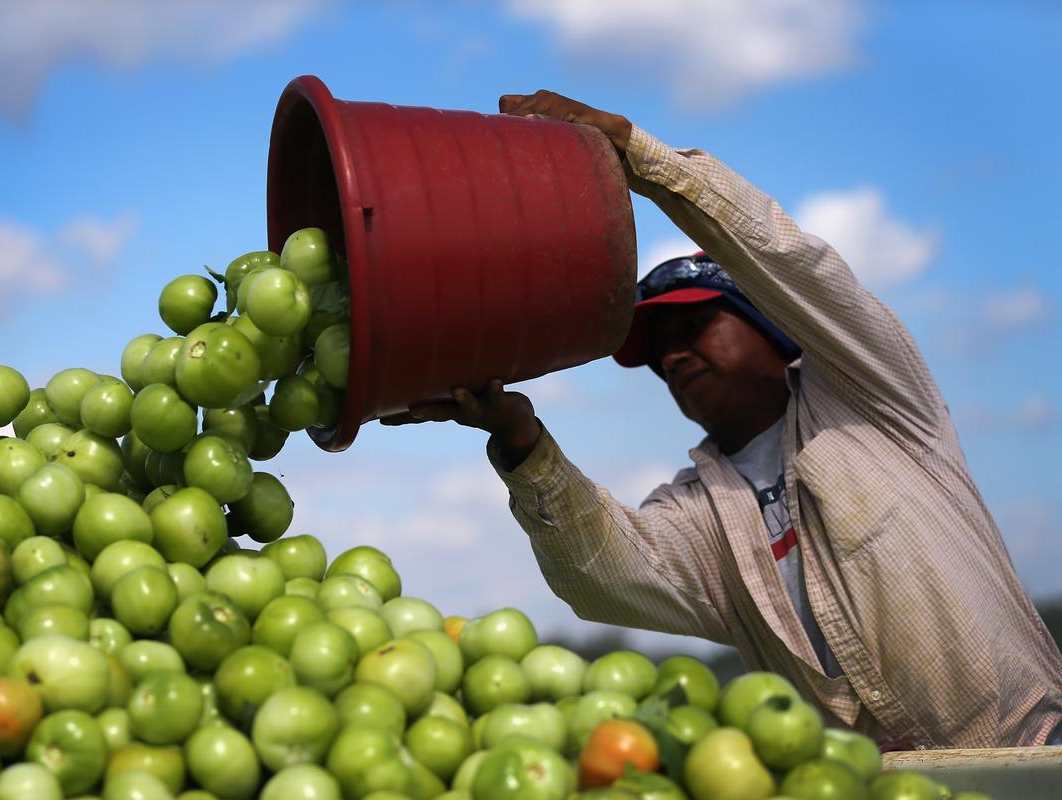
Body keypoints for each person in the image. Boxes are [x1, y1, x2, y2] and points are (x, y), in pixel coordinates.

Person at [382, 90, 1062, 749]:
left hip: (1034, 755)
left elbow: (795, 266)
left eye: (699, 323)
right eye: (657, 348)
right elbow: (604, 572)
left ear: (773, 328)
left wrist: (645, 160)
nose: (674, 353)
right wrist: (519, 438)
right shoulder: (701, 513)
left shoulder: (874, 399)